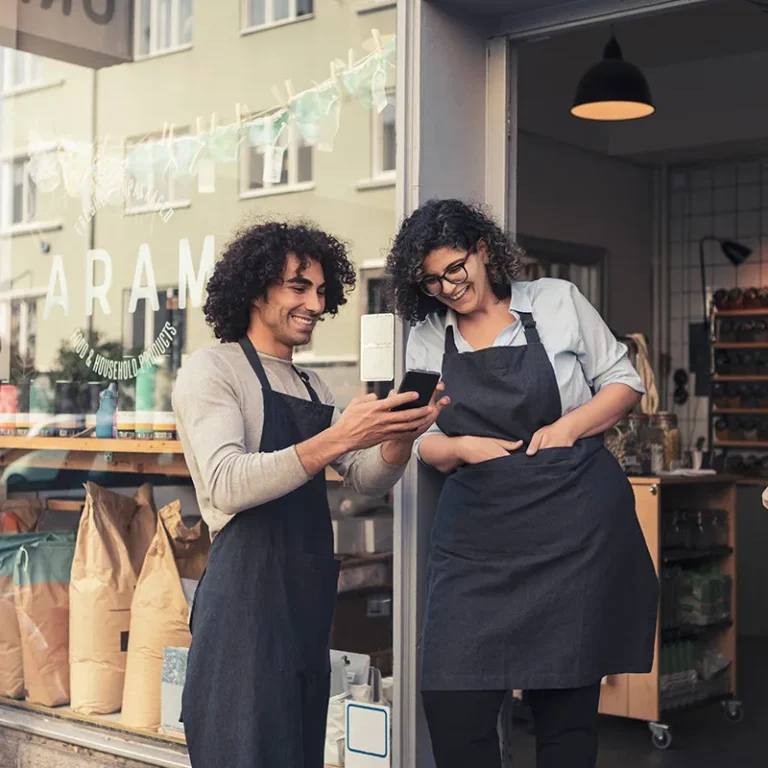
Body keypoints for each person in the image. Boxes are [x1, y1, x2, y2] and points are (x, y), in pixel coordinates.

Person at [385, 199, 659, 768]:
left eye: (454, 269)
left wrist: (566, 428)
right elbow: (421, 439)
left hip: (571, 527)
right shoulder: (429, 336)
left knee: (564, 713)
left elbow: (623, 382)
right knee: (452, 703)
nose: (447, 288)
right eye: (431, 280)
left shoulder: (556, 302)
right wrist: (458, 447)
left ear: (483, 250)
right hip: (477, 538)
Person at [173, 221, 447, 768]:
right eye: (298, 287)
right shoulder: (213, 369)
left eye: (321, 292)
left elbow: (365, 477)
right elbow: (227, 483)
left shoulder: (310, 385)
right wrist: (338, 436)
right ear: (256, 289)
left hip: (302, 609)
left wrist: (400, 438)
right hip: (243, 610)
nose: (314, 304)